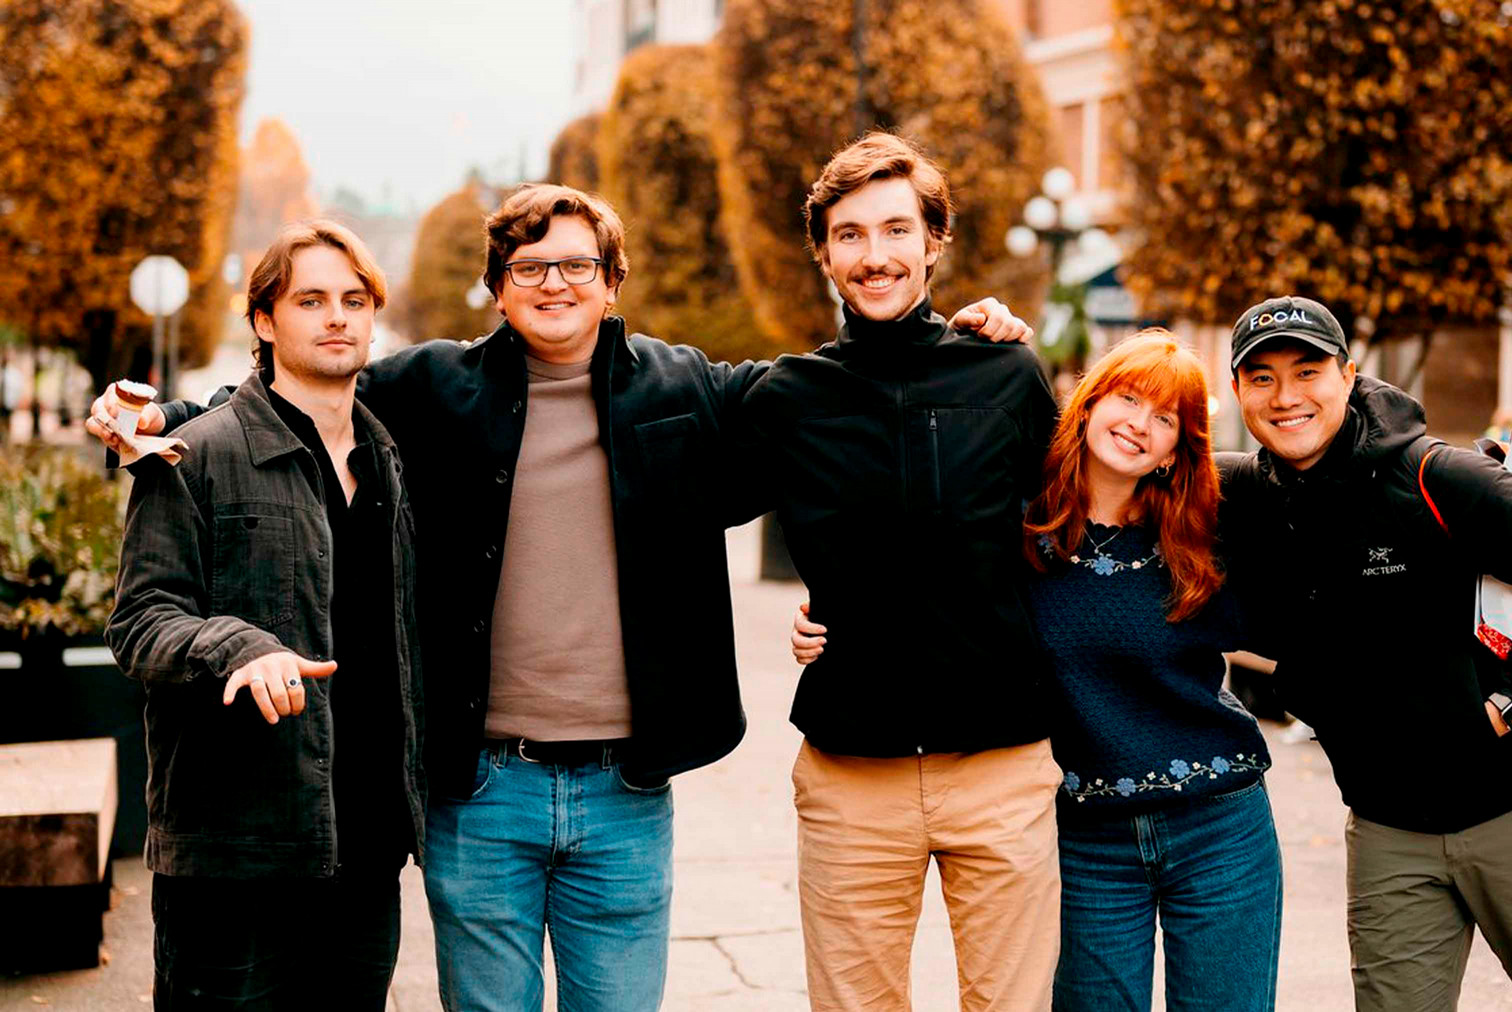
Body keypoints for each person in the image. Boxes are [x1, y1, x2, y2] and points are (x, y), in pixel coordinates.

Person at [89, 186, 1029, 1011]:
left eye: (578, 264)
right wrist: (163, 418)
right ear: (497, 288)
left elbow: (850, 395)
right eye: (529, 266)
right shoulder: (431, 388)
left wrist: (960, 339)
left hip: (627, 790)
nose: (554, 283)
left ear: (612, 282)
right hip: (482, 790)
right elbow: (301, 388)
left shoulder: (688, 386)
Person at [793, 331, 1282, 1012]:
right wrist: (827, 621)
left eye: (1165, 418)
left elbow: (1329, 487)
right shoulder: (1014, 522)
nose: (1139, 424)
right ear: (1087, 404)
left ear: (1179, 448)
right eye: (1129, 398)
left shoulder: (1207, 523)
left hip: (1218, 825)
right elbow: (902, 550)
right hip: (1084, 836)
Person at [1216, 295, 1512, 1011]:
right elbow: (1117, 444)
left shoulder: (1441, 477)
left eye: (1307, 371)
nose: (1286, 398)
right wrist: (980, 340)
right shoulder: (1249, 495)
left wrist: (1504, 704)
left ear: (1348, 375)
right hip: (1387, 829)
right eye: (1262, 378)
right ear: (1239, 391)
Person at [736, 132, 1061, 1011]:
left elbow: (1073, 528)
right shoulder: (788, 397)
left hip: (1002, 766)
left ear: (934, 241)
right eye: (849, 236)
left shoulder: (1007, 373)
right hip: (851, 776)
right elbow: (676, 511)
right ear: (824, 253)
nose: (874, 257)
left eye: (894, 230)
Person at [107, 221, 426, 1009]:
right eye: (311, 299)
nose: (337, 318)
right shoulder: (198, 453)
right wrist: (237, 646)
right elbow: (140, 619)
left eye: (354, 300)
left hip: (366, 845)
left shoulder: (391, 460)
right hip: (233, 855)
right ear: (263, 320)